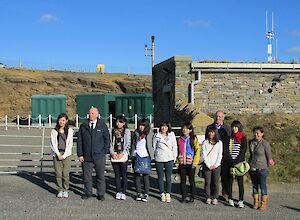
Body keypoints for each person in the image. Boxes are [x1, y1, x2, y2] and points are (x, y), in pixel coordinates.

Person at [77, 107, 110, 201]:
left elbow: (107, 139)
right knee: (87, 176)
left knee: (100, 176)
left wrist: (104, 151)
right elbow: (79, 141)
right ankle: (88, 192)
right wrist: (80, 154)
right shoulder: (83, 126)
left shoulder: (102, 126)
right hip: (86, 156)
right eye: (89, 113)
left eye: (92, 113)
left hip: (99, 156)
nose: (90, 115)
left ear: (97, 114)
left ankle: (100, 193)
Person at [205, 111, 231, 201]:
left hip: (224, 156)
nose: (218, 118)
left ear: (223, 118)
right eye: (217, 116)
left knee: (225, 176)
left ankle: (225, 193)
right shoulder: (209, 127)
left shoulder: (227, 128)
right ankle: (212, 194)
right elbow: (206, 142)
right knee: (212, 178)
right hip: (212, 156)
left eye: (220, 117)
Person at [249, 126, 275, 210]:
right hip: (253, 167)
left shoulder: (265, 143)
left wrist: (270, 161)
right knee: (254, 186)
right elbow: (251, 155)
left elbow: (269, 155)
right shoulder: (251, 142)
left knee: (263, 186)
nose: (256, 135)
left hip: (262, 168)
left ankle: (263, 204)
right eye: (255, 133)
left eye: (258, 133)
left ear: (262, 134)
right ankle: (256, 202)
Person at [153, 121, 177, 203]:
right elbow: (154, 146)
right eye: (162, 126)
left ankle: (168, 193)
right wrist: (155, 155)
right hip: (159, 158)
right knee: (160, 177)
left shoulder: (171, 135)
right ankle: (162, 193)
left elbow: (174, 146)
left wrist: (174, 157)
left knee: (168, 177)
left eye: (166, 127)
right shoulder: (156, 135)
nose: (164, 128)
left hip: (169, 158)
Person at [50, 113, 74, 198]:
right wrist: (58, 154)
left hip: (66, 154)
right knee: (58, 174)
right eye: (60, 120)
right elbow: (53, 144)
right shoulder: (54, 131)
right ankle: (60, 190)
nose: (61, 122)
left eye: (63, 120)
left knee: (65, 174)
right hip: (57, 154)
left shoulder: (70, 131)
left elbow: (70, 144)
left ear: (66, 121)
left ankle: (66, 189)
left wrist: (64, 155)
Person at [225, 120, 247, 208]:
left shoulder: (243, 137)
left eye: (236, 127)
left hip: (239, 163)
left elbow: (243, 150)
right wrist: (231, 160)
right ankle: (230, 199)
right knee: (229, 181)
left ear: (239, 128)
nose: (234, 129)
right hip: (230, 162)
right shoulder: (230, 137)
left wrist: (237, 161)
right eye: (233, 127)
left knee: (240, 182)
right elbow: (227, 149)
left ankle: (241, 200)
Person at [177, 122, 201, 203]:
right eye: (183, 128)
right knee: (183, 181)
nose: (184, 130)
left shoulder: (193, 138)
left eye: (187, 129)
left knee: (191, 181)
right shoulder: (180, 139)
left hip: (191, 163)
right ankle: (183, 196)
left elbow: (197, 151)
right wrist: (177, 161)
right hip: (182, 163)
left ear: (190, 130)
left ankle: (192, 197)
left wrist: (195, 162)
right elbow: (178, 151)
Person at [131, 118, 153, 202]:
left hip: (146, 156)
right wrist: (132, 154)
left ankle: (146, 193)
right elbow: (133, 144)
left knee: (145, 176)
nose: (141, 127)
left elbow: (152, 144)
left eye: (143, 125)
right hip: (137, 155)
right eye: (140, 125)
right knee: (136, 175)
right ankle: (138, 192)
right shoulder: (135, 133)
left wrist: (152, 154)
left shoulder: (149, 133)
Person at [109, 115, 131, 200]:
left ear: (124, 123)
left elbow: (128, 143)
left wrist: (123, 153)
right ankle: (118, 191)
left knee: (124, 174)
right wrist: (112, 153)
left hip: (123, 155)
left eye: (121, 122)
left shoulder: (127, 131)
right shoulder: (111, 131)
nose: (118, 123)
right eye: (117, 121)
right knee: (117, 175)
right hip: (114, 153)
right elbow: (109, 143)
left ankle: (124, 191)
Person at [202, 125, 223, 205]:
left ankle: (215, 197)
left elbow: (220, 155)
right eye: (210, 132)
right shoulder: (205, 142)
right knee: (208, 182)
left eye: (213, 132)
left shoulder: (219, 143)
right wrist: (209, 165)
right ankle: (208, 197)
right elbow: (204, 154)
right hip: (207, 165)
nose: (211, 133)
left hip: (216, 165)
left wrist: (216, 164)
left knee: (216, 182)